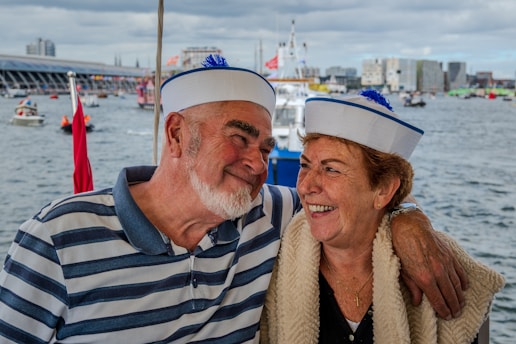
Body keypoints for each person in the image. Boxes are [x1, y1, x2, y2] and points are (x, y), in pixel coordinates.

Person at [0, 56, 465, 343]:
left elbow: (354, 207)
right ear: (177, 134)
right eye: (239, 139)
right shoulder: (57, 240)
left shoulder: (267, 212)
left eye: (265, 148)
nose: (259, 163)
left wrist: (408, 221)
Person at [260, 91, 505, 343]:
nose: (306, 186)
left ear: (384, 190)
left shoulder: (445, 273)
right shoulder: (269, 249)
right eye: (305, 165)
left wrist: (408, 214)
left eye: (331, 169)